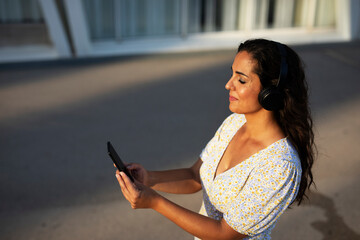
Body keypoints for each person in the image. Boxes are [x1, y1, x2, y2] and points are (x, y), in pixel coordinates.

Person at [115, 38, 316, 240]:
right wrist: (148, 179)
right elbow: (196, 176)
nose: (229, 84)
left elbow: (224, 233)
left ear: (270, 93)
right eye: (232, 74)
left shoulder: (280, 165)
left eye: (242, 80)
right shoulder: (234, 123)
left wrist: (155, 202)